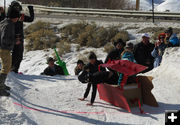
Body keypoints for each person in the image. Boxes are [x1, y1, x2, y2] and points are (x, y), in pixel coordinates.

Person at [9, 1, 34, 73]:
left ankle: (15, 71)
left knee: (19, 56)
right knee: (13, 55)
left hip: (20, 38)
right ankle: (10, 70)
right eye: (15, 7)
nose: (16, 9)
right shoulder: (9, 16)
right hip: (11, 39)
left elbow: (31, 19)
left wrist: (30, 8)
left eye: (17, 7)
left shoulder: (20, 16)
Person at [0, 8, 20, 96]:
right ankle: (0, 88)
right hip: (4, 48)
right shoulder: (9, 25)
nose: (18, 19)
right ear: (14, 17)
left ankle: (1, 85)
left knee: (5, 67)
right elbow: (4, 39)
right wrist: (15, 41)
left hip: (2, 48)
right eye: (17, 17)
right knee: (6, 68)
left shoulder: (4, 22)